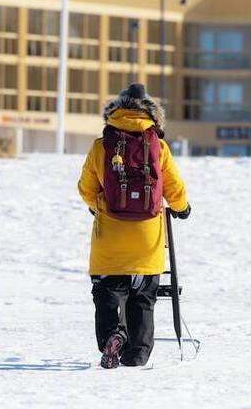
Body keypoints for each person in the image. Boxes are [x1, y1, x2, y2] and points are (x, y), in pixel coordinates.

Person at [78, 82, 190, 369]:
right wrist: (182, 209)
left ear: (116, 109)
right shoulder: (158, 147)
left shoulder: (102, 146)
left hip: (110, 240)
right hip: (147, 239)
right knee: (142, 299)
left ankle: (111, 336)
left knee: (106, 294)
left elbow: (86, 189)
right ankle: (137, 358)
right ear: (150, 112)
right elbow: (174, 189)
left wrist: (99, 207)